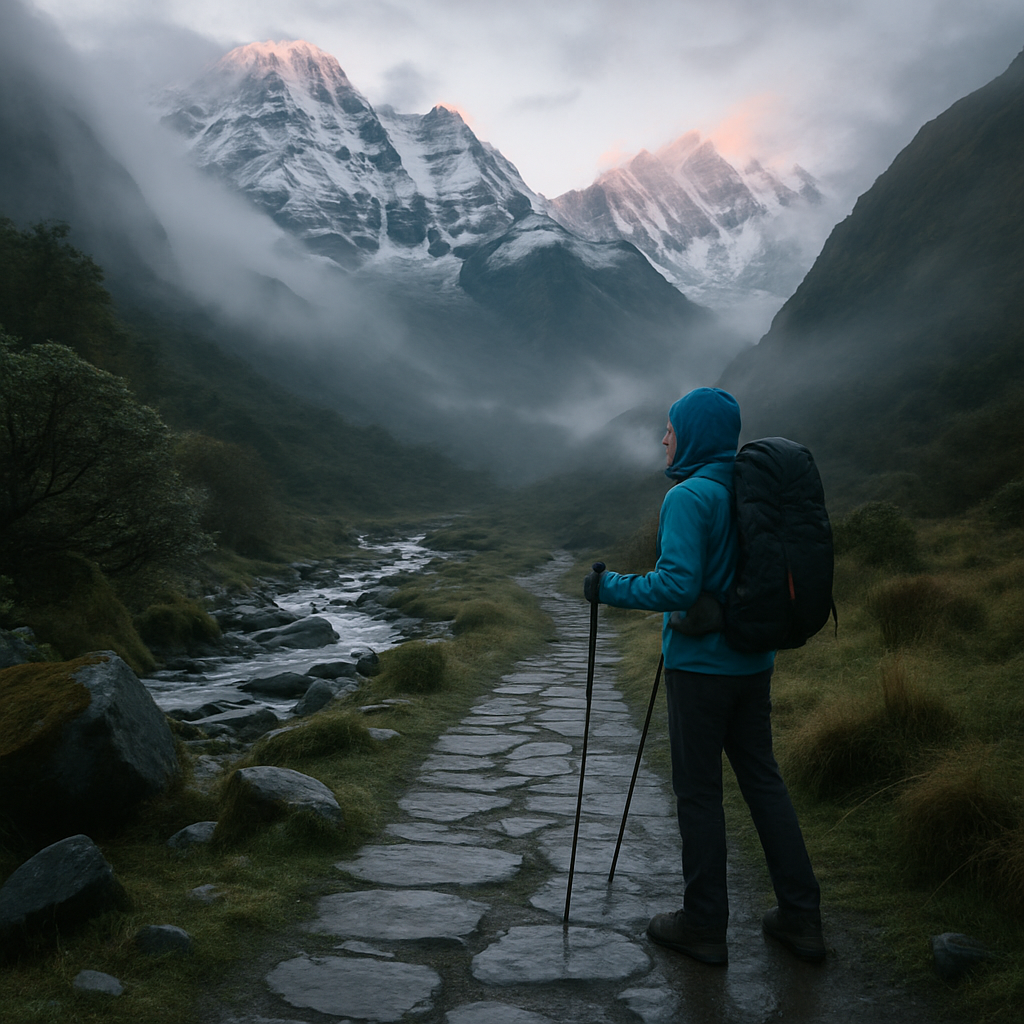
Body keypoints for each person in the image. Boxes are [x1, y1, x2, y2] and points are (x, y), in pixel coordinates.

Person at [584, 386, 823, 965]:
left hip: (700, 671)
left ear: (691, 434)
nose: (664, 437)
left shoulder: (689, 496)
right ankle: (801, 918)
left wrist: (608, 586)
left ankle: (703, 924)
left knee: (698, 794)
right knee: (764, 782)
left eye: (670, 427)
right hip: (753, 662)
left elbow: (677, 586)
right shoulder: (750, 489)